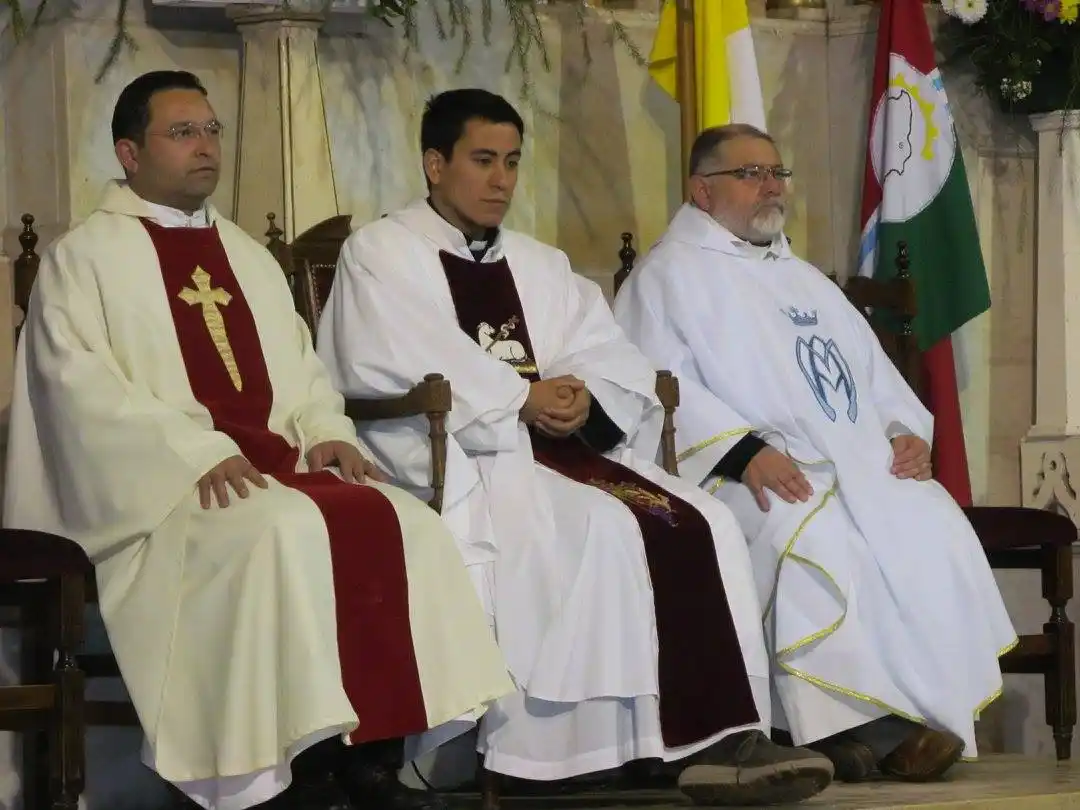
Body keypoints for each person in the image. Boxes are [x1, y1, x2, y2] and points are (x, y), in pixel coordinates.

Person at [2, 70, 514, 810]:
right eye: (183, 133)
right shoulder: (84, 258)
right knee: (281, 531)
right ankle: (276, 778)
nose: (206, 146)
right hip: (157, 492)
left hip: (271, 473)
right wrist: (198, 451)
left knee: (407, 522)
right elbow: (80, 393)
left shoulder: (242, 254)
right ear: (129, 153)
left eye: (212, 131)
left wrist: (327, 433)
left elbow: (302, 372)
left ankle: (367, 761)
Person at [316, 89, 835, 807]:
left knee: (701, 520)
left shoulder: (538, 263)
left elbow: (602, 349)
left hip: (558, 451)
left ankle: (702, 741)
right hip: (461, 458)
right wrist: (516, 397)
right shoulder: (382, 252)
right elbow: (389, 356)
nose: (502, 180)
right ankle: (571, 750)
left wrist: (586, 394)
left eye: (512, 162)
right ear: (434, 165)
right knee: (592, 527)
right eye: (483, 160)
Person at [612, 123, 1019, 783]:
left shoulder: (801, 276)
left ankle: (893, 724)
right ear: (701, 189)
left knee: (928, 521)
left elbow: (873, 374)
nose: (771, 187)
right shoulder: (668, 276)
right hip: (735, 472)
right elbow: (653, 382)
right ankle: (861, 730)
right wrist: (743, 452)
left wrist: (901, 432)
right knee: (815, 538)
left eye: (777, 172)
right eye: (750, 174)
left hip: (851, 463)